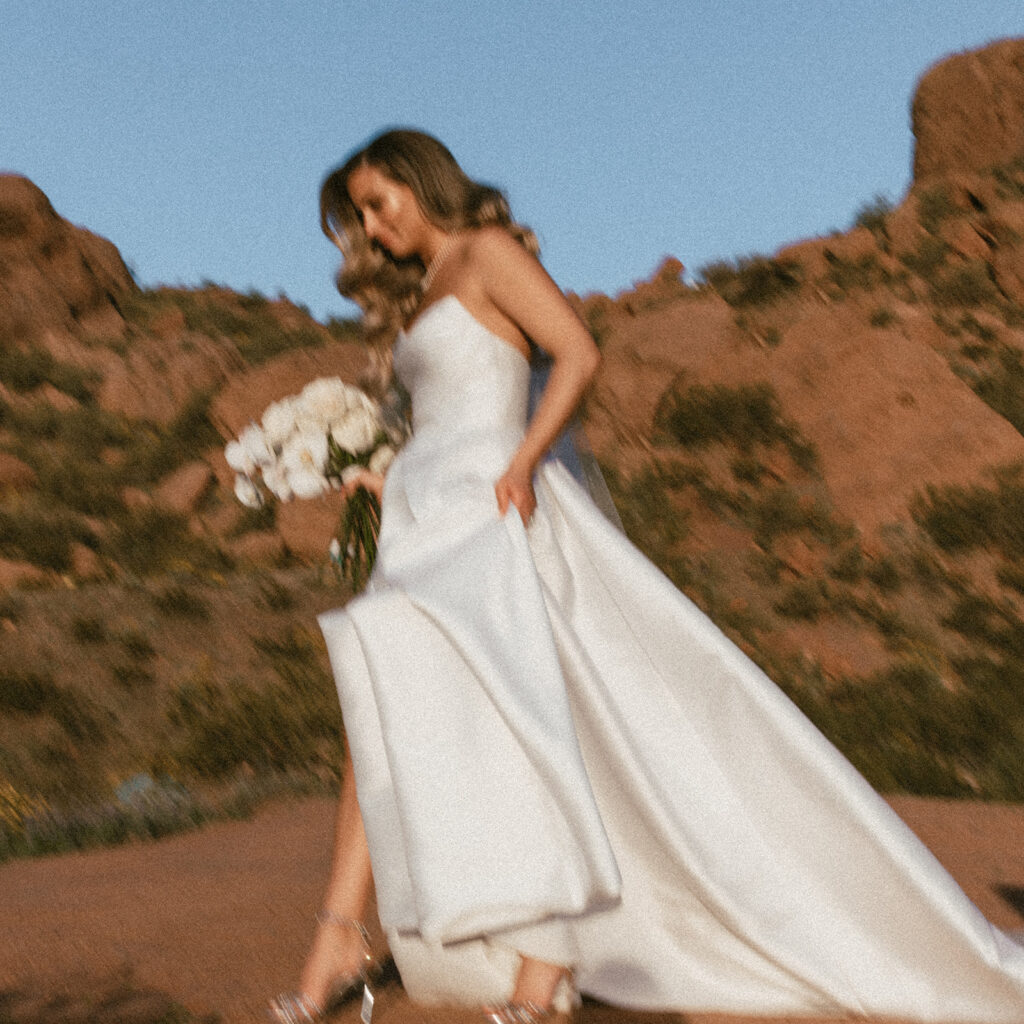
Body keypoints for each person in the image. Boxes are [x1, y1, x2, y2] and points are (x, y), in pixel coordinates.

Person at [270, 128, 1024, 1024]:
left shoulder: (485, 253)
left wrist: (524, 462)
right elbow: (443, 408)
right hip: (422, 514)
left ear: (422, 183)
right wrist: (381, 474)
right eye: (358, 214)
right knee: (377, 701)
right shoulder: (426, 288)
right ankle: (342, 934)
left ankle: (541, 957)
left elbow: (577, 352)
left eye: (377, 202)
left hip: (486, 510)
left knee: (519, 715)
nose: (370, 224)